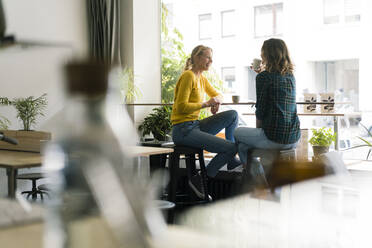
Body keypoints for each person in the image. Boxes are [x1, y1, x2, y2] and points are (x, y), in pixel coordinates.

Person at [171, 45, 240, 199]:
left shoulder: (201, 78)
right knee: (231, 147)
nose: (211, 61)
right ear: (197, 57)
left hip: (194, 125)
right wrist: (206, 104)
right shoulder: (188, 76)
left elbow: (219, 95)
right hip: (183, 130)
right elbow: (180, 107)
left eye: (211, 57)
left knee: (233, 115)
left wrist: (216, 102)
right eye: (208, 57)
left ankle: (232, 160)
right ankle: (200, 178)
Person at [234, 38, 301, 175]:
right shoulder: (290, 76)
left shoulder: (263, 77)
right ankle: (266, 186)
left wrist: (259, 132)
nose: (260, 55)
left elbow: (261, 110)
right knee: (243, 146)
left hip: (274, 138)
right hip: (294, 137)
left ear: (267, 54)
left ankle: (260, 184)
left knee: (237, 133)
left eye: (262, 52)